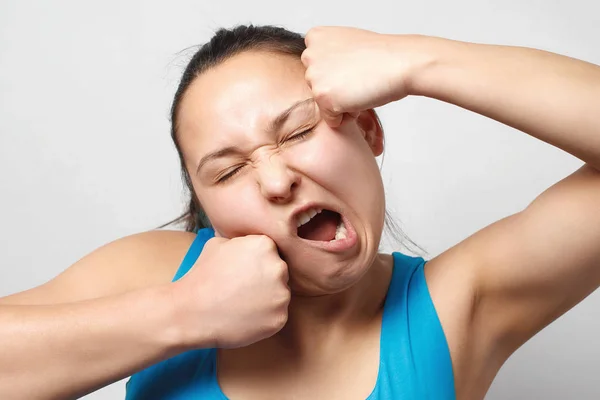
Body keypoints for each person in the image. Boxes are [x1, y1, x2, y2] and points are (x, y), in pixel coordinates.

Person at [1, 24, 600, 400]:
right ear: (207, 208)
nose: (277, 179)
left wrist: (421, 61)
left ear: (369, 129)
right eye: (229, 170)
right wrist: (182, 313)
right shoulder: (157, 275)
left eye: (297, 131)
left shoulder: (458, 308)